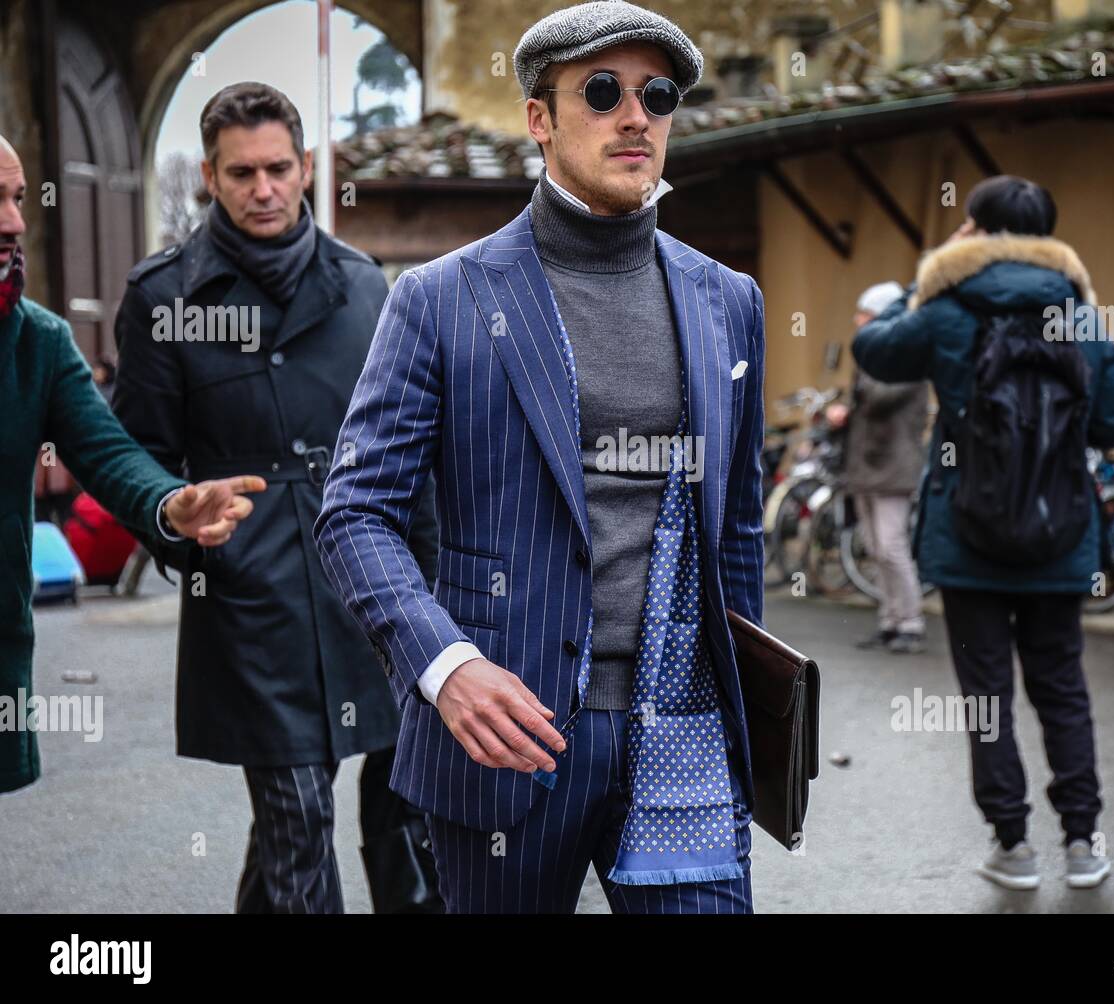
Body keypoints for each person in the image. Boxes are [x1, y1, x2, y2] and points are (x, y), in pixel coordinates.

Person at [316, 0, 766, 914]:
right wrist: (445, 668)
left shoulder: (729, 300)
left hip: (682, 724)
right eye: (601, 91)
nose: (634, 115)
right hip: (508, 736)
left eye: (657, 93)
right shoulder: (439, 300)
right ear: (539, 118)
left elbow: (739, 526)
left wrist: (754, 713)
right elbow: (354, 512)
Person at [111, 84, 441, 914]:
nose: (263, 189)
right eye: (241, 172)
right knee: (297, 811)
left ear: (304, 170)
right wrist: (181, 519)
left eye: (278, 169)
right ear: (211, 180)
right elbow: (132, 457)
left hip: (366, 589)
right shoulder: (164, 300)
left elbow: (414, 452)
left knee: (400, 808)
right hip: (250, 597)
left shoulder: (367, 289)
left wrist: (440, 591)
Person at [854, 175, 1114, 890]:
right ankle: (1083, 842)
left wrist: (937, 267)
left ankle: (1013, 846)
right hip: (1062, 535)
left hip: (968, 536)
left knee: (987, 698)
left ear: (975, 231)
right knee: (1062, 688)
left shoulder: (948, 310)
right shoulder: (1081, 316)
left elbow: (875, 350)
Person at [0, 134, 264, 796]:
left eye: (18, 198)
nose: (14, 222)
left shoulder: (38, 341)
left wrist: (170, 503)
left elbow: (110, 452)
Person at [844, 280, 928, 653]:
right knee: (876, 548)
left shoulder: (908, 356)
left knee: (892, 547)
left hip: (894, 466)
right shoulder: (876, 355)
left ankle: (911, 622)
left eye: (863, 314)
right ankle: (890, 620)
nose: (856, 320)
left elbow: (877, 398)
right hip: (867, 466)